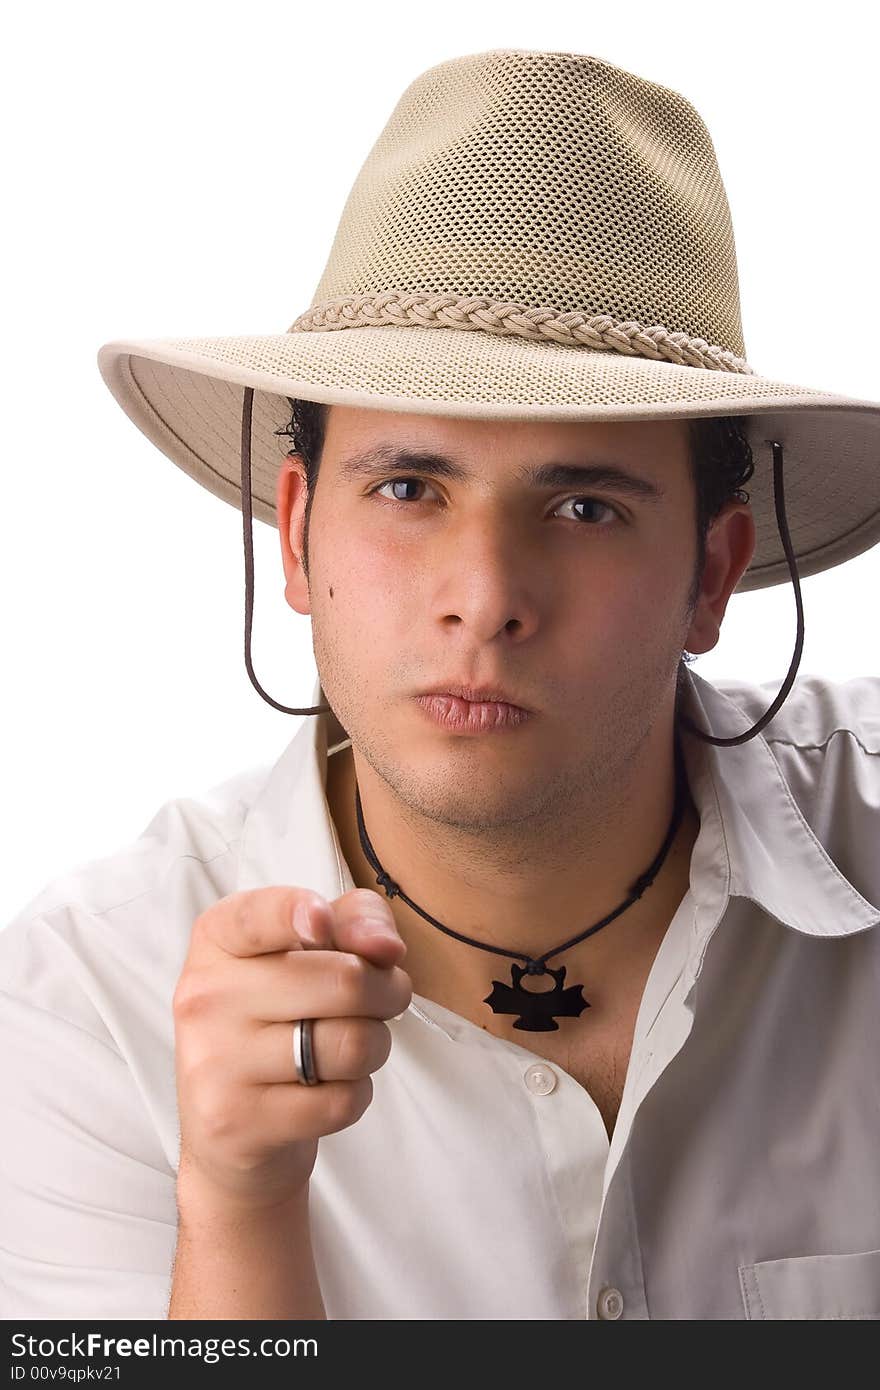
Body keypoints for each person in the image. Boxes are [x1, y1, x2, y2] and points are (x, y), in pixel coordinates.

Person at [2, 47, 879, 1322]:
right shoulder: (84, 1002)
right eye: (409, 489)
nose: (485, 595)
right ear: (296, 532)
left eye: (583, 504)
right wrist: (238, 1199)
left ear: (709, 572)